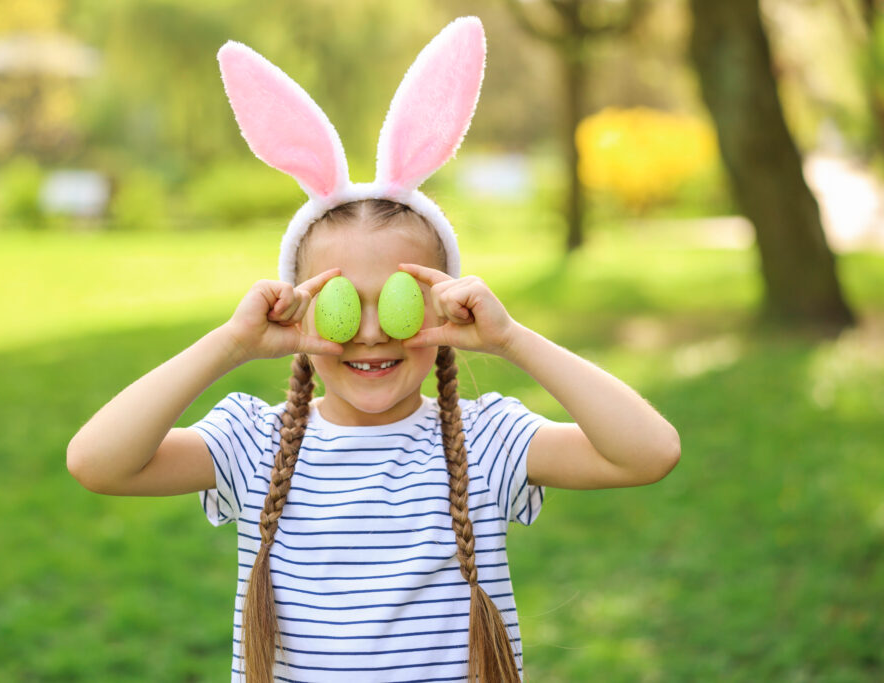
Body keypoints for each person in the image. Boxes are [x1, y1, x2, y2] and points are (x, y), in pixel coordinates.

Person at [66, 16, 680, 683]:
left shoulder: (487, 439)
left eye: (396, 299)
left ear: (444, 303)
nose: (369, 330)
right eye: (340, 301)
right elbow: (98, 462)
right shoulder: (253, 442)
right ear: (297, 306)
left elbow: (650, 452)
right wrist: (230, 344)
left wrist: (512, 339)